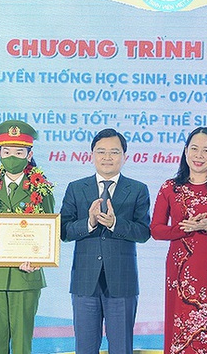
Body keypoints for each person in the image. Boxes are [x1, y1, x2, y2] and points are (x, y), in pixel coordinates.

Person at [151, 127, 207, 354]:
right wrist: (183, 229)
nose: (199, 155)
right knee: (183, 326)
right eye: (194, 149)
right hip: (181, 270)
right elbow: (156, 230)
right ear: (185, 152)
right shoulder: (170, 187)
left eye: (206, 150)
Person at [61, 128, 150, 354]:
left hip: (122, 283)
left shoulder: (138, 189)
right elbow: (63, 230)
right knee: (85, 348)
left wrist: (114, 224)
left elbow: (143, 232)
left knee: (121, 348)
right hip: (84, 282)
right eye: (101, 152)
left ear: (125, 157)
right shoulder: (76, 188)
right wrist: (89, 222)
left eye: (114, 152)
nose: (107, 157)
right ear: (91, 155)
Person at [0, 120, 55, 354]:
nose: (12, 157)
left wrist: (40, 260)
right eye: (6, 152)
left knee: (22, 344)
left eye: (19, 152)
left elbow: (49, 229)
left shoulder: (41, 188)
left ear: (29, 154)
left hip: (25, 277)